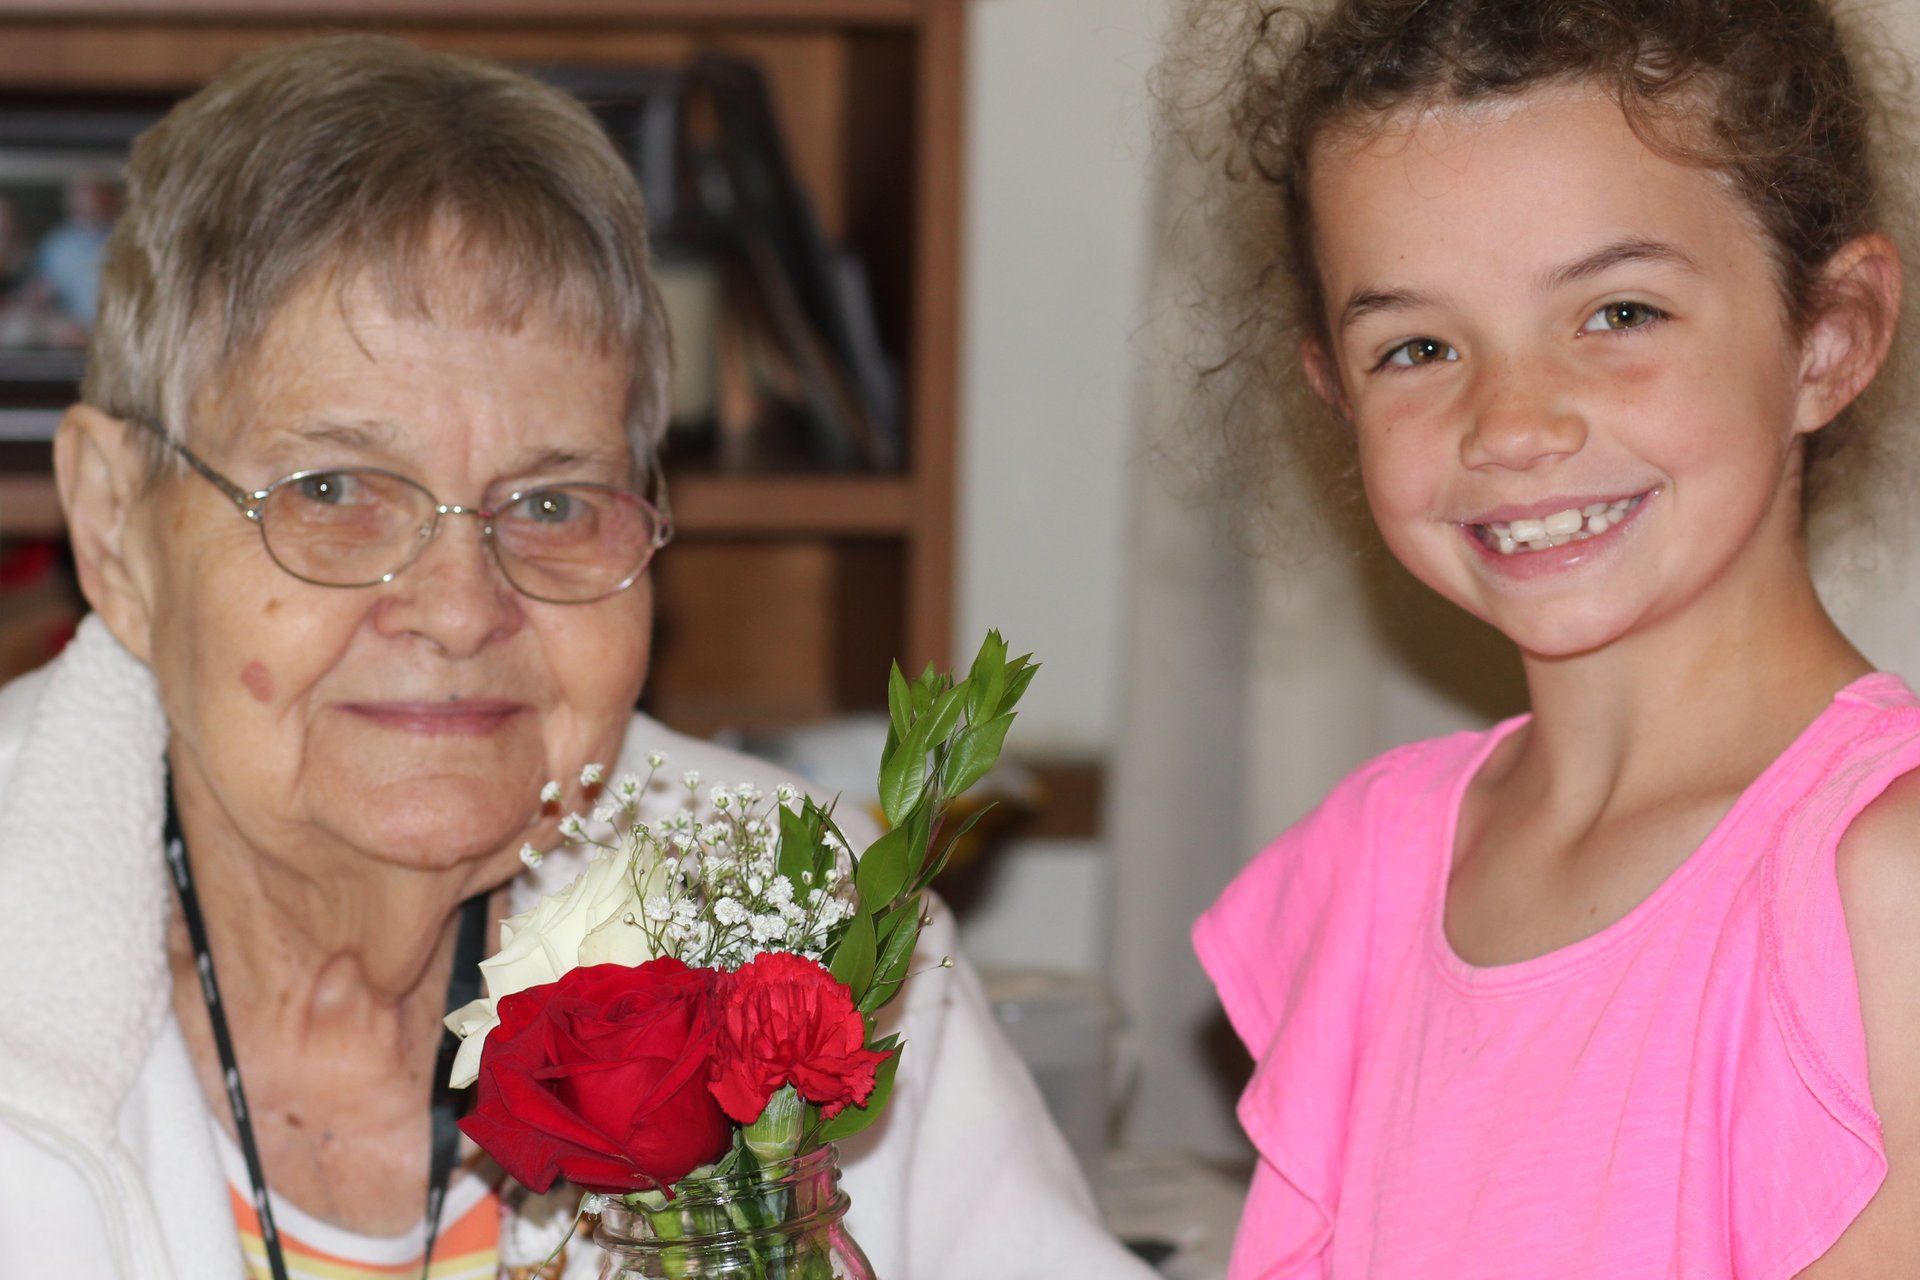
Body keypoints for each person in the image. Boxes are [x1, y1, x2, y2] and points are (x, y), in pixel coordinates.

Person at [0, 35, 1151, 1280]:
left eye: (549, 503)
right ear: (117, 525)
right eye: (333, 487)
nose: (458, 607)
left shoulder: (814, 931)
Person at [1191, 0, 1920, 1275]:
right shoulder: (1371, 861)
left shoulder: (1884, 883)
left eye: (1619, 314)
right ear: (1335, 391)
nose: (1510, 423)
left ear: (1830, 332)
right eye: (1418, 346)